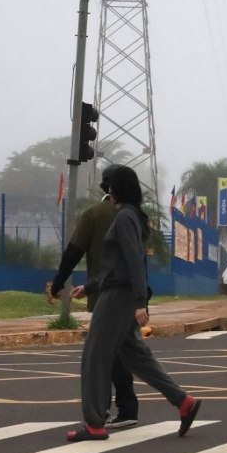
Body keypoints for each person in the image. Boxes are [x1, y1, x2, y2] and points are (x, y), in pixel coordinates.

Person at [66, 165, 201, 442]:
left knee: (94, 357)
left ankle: (94, 424)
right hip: (120, 293)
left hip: (117, 298)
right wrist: (90, 286)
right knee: (135, 356)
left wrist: (141, 302)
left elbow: (133, 261)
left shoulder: (125, 217)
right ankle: (183, 402)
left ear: (117, 189)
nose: (107, 193)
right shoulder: (131, 215)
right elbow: (118, 265)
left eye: (109, 188)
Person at [46, 164, 140, 429]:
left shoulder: (94, 215)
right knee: (130, 353)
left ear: (106, 188)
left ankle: (104, 412)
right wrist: (142, 298)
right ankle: (135, 406)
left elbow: (73, 253)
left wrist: (57, 284)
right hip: (129, 296)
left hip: (105, 296)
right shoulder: (133, 215)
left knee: (101, 356)